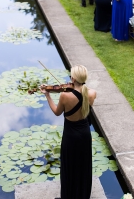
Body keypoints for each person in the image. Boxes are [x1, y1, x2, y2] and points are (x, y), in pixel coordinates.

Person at [40, 65, 97, 199]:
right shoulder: (92, 93)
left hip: (71, 135)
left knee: (69, 165)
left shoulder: (65, 96)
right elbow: (83, 95)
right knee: (83, 165)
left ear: (73, 78)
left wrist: (47, 95)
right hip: (84, 133)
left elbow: (56, 112)